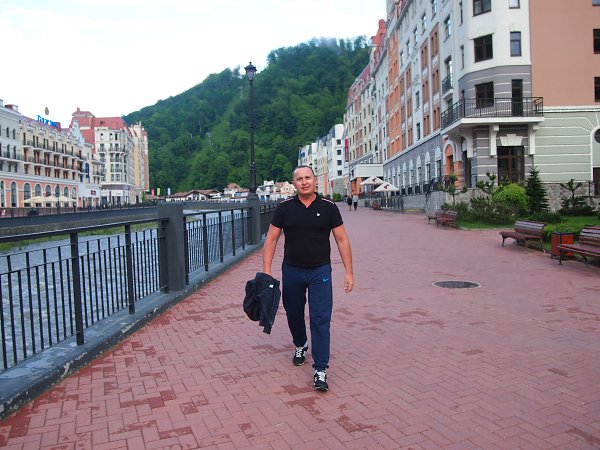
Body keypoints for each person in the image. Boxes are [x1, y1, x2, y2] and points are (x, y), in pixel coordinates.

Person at [262, 166, 354, 392]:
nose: (304, 182)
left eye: (308, 178)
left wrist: (349, 272)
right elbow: (272, 239)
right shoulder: (284, 208)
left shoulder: (328, 207)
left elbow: (342, 240)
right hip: (292, 271)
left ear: (315, 180)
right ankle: (300, 343)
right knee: (293, 313)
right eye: (299, 179)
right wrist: (266, 270)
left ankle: (320, 368)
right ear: (294, 183)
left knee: (320, 318)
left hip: (319, 272)